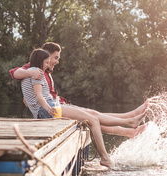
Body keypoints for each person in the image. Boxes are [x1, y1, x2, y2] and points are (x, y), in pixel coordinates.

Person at [21, 49, 145, 168]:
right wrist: (48, 108)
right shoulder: (36, 73)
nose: (48, 65)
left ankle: (129, 122)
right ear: (39, 60)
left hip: (47, 109)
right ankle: (106, 157)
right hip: (48, 109)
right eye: (46, 62)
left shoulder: (29, 73)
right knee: (93, 120)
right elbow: (38, 96)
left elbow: (30, 98)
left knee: (92, 117)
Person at [10, 42, 147, 138]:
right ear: (47, 56)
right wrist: (30, 74)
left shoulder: (44, 71)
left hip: (56, 106)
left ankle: (130, 119)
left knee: (93, 114)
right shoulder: (34, 68)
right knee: (92, 118)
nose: (57, 61)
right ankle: (130, 126)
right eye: (55, 58)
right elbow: (15, 72)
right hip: (51, 110)